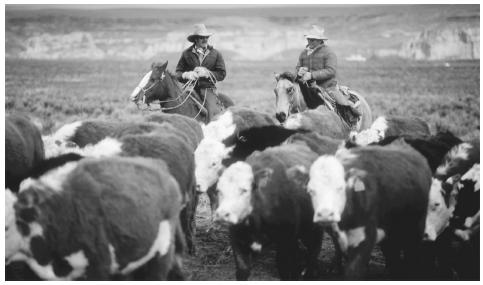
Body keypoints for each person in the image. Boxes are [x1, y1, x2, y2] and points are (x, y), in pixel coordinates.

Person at [295, 25, 361, 127]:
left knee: (343, 105)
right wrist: (299, 72)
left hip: (328, 87)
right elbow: (298, 67)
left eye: (313, 40)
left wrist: (311, 75)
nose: (310, 42)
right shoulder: (303, 53)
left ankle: (351, 125)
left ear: (320, 40)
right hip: (307, 89)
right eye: (309, 39)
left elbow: (331, 70)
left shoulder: (329, 53)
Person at [176, 23, 226, 121]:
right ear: (195, 39)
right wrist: (186, 75)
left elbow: (222, 74)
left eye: (206, 37)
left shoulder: (216, 54)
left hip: (208, 89)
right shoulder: (186, 54)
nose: (205, 40)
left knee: (212, 114)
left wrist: (207, 73)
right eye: (201, 37)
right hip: (190, 89)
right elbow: (178, 73)